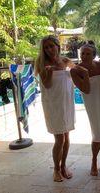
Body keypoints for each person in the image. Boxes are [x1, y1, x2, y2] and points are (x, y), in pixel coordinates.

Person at [34, 35, 75, 182]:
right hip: (52, 104)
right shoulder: (40, 63)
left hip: (66, 103)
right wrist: (50, 72)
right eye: (46, 47)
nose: (49, 49)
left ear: (58, 45)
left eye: (52, 46)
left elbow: (78, 72)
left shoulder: (65, 61)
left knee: (67, 136)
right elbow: (47, 85)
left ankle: (64, 166)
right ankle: (56, 169)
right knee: (59, 139)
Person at [70, 42, 100, 176]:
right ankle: (94, 161)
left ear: (94, 55)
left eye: (88, 53)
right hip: (92, 103)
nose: (84, 56)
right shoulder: (75, 70)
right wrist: (84, 73)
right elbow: (86, 90)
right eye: (82, 53)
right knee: (97, 133)